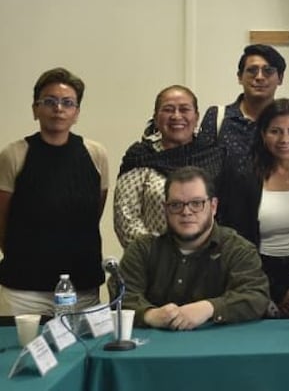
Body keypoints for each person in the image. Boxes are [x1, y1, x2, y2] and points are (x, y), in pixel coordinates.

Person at [0, 68, 109, 315]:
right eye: (49, 101)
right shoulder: (14, 154)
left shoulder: (95, 154)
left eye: (67, 103)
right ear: (35, 109)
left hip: (81, 288)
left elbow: (93, 213)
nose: (58, 108)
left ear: (76, 112)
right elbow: (2, 222)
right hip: (23, 293)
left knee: (79, 353)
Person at [216, 99, 289, 317]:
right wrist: (277, 291)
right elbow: (238, 239)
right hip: (258, 276)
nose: (285, 139)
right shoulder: (244, 179)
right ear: (262, 134)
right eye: (275, 131)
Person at [119, 166, 269, 329]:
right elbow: (121, 296)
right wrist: (149, 315)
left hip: (220, 347)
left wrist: (209, 308)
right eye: (176, 205)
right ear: (165, 209)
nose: (186, 212)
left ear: (213, 207)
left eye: (196, 203)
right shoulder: (142, 249)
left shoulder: (238, 249)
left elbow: (256, 296)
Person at [113, 85, 225, 247]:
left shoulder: (213, 156)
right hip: (154, 263)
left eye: (184, 109)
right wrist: (160, 256)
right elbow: (127, 218)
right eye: (168, 109)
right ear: (156, 118)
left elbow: (228, 212)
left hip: (211, 261)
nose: (176, 116)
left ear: (196, 117)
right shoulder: (141, 157)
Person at [201, 44, 287, 161]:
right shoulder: (217, 117)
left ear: (280, 78)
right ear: (240, 77)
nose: (259, 77)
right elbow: (200, 170)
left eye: (268, 71)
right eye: (252, 70)